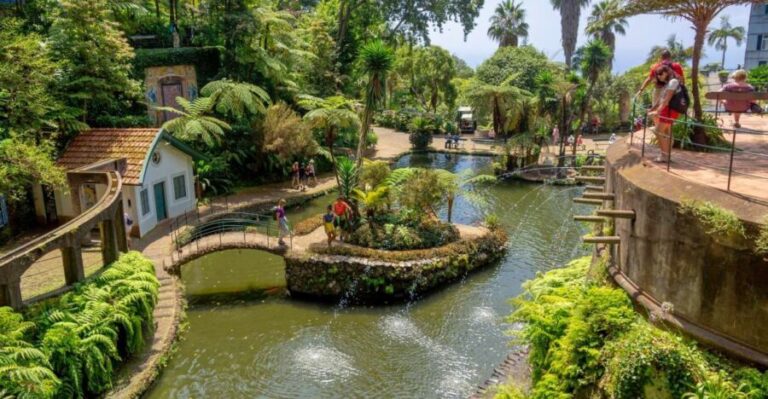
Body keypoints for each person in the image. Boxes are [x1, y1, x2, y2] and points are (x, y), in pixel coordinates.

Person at [647, 64, 682, 163]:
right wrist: (652, 109)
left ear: (666, 72)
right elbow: (660, 100)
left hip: (670, 111)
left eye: (661, 74)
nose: (659, 76)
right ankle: (666, 155)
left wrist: (656, 112)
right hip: (666, 111)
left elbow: (666, 100)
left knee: (658, 131)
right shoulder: (667, 84)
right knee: (665, 133)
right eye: (658, 75)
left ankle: (665, 156)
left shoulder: (673, 82)